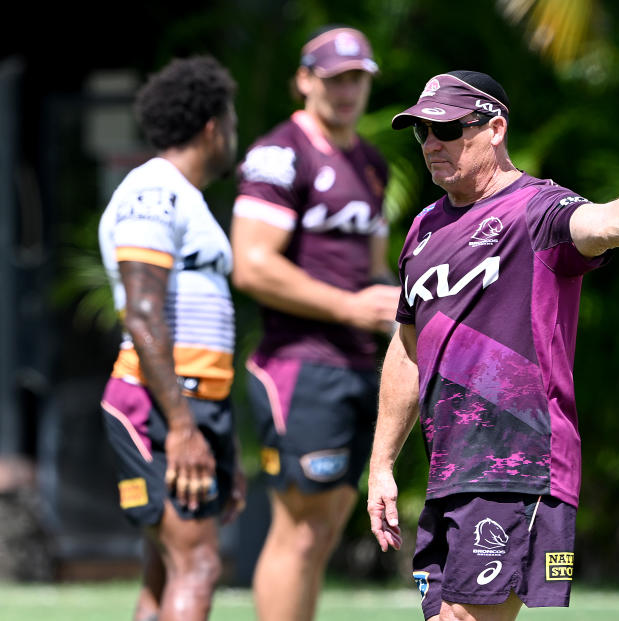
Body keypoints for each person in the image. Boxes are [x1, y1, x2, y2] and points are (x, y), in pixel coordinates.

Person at [366, 70, 619, 621]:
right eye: (422, 133)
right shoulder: (423, 228)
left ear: (495, 128)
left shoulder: (536, 210)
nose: (431, 145)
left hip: (519, 464)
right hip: (451, 471)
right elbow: (406, 347)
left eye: (447, 130)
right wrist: (381, 465)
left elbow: (601, 222)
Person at [230, 25, 400, 621]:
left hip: (357, 364)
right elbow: (251, 265)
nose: (348, 90)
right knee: (299, 531)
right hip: (298, 365)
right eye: (334, 78)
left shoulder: (371, 163)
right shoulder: (280, 154)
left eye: (358, 78)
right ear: (304, 80)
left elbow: (373, 269)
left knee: (324, 530)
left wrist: (410, 305)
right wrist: (351, 307)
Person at [98, 55, 244, 621]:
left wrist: (218, 436)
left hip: (194, 404)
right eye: (230, 121)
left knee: (164, 571)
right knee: (199, 566)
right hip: (160, 406)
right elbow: (141, 312)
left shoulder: (185, 197)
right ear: (213, 126)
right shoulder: (152, 189)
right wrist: (184, 427)